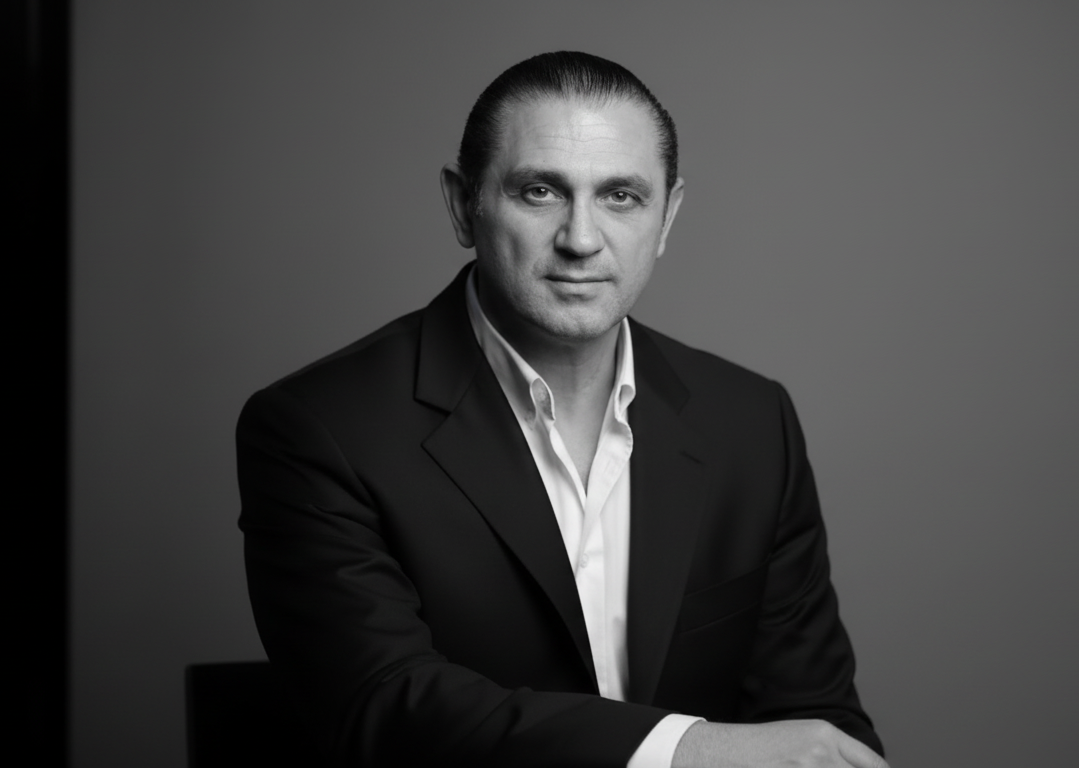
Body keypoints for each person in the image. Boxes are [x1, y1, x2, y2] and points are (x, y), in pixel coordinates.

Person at [237, 51, 885, 768]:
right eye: (540, 191)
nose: (581, 239)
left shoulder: (752, 422)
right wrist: (685, 752)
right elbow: (383, 707)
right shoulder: (319, 429)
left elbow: (815, 724)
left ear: (667, 217)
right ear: (463, 205)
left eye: (621, 196)